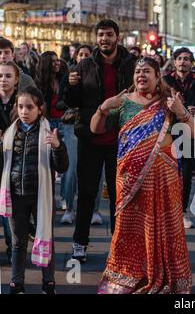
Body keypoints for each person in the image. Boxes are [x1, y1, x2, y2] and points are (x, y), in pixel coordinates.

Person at [93, 57, 193, 294]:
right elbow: (95, 129)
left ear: (158, 76)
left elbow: (194, 135)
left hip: (163, 179)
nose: (141, 76)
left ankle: (164, 275)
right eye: (138, 72)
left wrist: (182, 113)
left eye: (147, 71)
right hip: (129, 180)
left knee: (163, 229)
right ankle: (127, 273)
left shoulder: (169, 102)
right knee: (129, 227)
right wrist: (103, 107)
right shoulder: (122, 102)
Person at [64, 19, 135, 262]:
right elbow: (72, 103)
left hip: (121, 141)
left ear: (117, 37)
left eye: (109, 34)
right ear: (97, 38)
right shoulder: (84, 66)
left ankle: (118, 247)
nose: (105, 39)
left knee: (119, 197)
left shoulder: (131, 64)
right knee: (86, 193)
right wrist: (71, 85)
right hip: (90, 139)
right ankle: (79, 244)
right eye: (101, 35)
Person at [0, 86, 68, 294]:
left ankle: (48, 283)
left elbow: (62, 166)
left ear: (40, 109)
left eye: (29, 107)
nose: (24, 111)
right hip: (16, 194)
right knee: (18, 242)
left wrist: (57, 147)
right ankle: (16, 283)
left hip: (40, 197)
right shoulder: (11, 133)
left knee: (45, 237)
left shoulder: (48, 132)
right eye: (20, 107)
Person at [163, 47, 195, 229]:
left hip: (191, 131)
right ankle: (167, 212)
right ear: (174, 62)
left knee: (186, 176)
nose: (183, 62)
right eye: (180, 58)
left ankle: (182, 213)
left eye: (187, 59)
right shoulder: (165, 82)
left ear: (192, 63)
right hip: (168, 132)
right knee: (168, 173)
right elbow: (156, 105)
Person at [58, 45, 92, 225]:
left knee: (94, 171)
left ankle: (93, 211)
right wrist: (73, 102)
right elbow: (59, 103)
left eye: (87, 54)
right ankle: (69, 208)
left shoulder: (97, 75)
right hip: (72, 126)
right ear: (76, 57)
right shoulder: (69, 76)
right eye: (81, 54)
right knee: (71, 170)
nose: (84, 57)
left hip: (93, 126)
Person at [0, 61, 21, 265]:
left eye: (7, 76)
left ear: (16, 79)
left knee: (11, 212)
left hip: (15, 165)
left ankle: (13, 251)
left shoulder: (23, 102)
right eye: (0, 76)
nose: (3, 80)